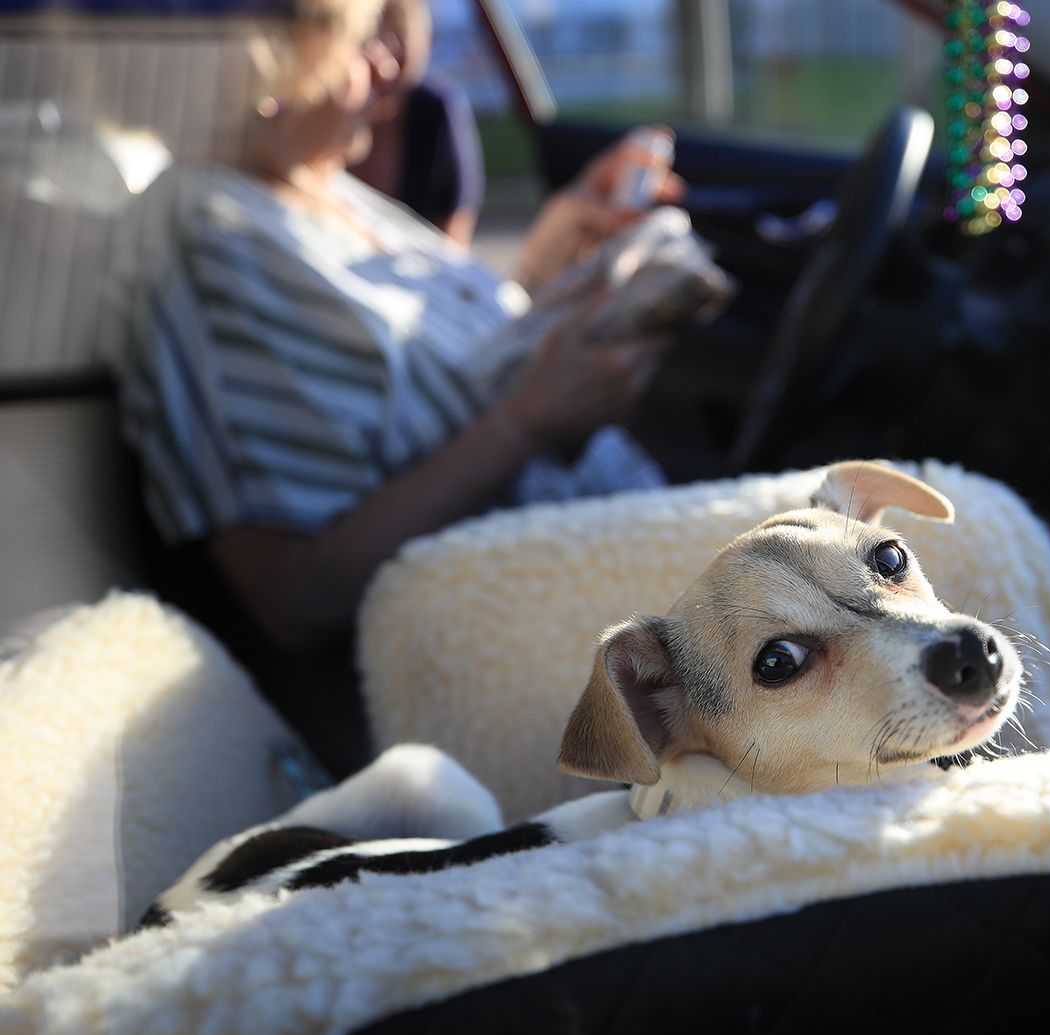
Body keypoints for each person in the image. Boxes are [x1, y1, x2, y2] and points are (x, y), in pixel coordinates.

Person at [107, 0, 690, 773]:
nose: (389, 67)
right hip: (555, 672)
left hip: (626, 583)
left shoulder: (328, 192)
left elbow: (438, 388)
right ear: (260, 65)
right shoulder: (209, 236)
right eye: (355, 42)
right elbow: (297, 597)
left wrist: (558, 263)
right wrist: (526, 423)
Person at [347, 0, 483, 242]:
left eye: (400, 37)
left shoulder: (435, 109)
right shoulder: (325, 117)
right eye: (371, 38)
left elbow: (453, 239)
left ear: (426, 43)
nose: (386, 64)